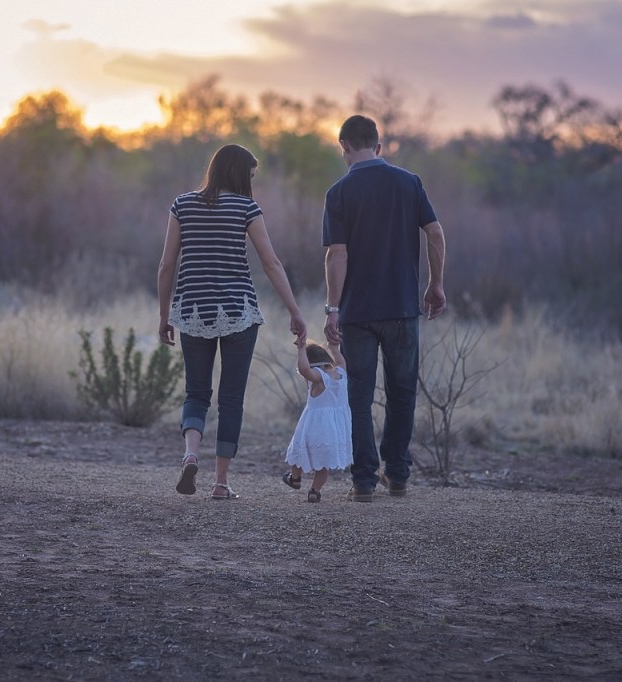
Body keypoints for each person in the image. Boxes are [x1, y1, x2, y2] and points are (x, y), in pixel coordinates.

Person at [158, 144, 307, 500]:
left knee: (196, 392)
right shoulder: (246, 208)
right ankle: (221, 483)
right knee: (231, 398)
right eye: (251, 176)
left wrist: (165, 316)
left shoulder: (182, 205)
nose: (252, 183)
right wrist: (295, 311)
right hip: (239, 312)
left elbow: (166, 265)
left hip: (192, 311)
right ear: (239, 174)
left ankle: (191, 453)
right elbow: (271, 264)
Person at [322, 115, 447, 502]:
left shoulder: (339, 192)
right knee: (402, 392)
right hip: (403, 307)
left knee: (359, 395)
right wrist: (436, 283)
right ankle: (397, 474)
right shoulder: (409, 183)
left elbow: (336, 255)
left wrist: (332, 308)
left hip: (358, 313)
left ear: (343, 146)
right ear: (379, 146)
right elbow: (435, 233)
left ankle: (363, 480)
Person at [282, 339, 352, 503]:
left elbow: (304, 369)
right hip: (334, 429)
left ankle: (295, 478)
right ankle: (314, 491)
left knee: (299, 452)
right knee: (323, 464)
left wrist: (301, 350)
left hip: (314, 426)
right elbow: (341, 361)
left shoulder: (319, 378)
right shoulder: (341, 373)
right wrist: (334, 348)